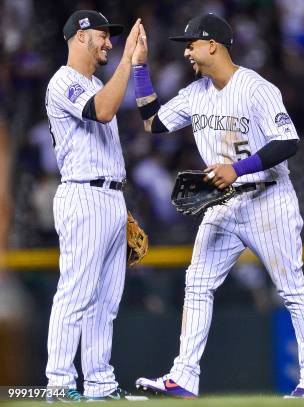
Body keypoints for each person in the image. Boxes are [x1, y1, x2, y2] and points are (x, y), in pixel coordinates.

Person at [131, 14, 304, 398]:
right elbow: (152, 123)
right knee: (198, 283)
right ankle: (184, 377)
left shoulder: (256, 88)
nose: (186, 51)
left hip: (266, 197)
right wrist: (139, 67)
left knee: (291, 289)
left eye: (191, 44)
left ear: (213, 45)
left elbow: (287, 141)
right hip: (222, 203)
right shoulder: (195, 93)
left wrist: (237, 169)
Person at [44, 10, 143, 401]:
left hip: (109, 196)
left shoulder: (98, 82)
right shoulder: (63, 81)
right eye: (103, 35)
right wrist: (128, 61)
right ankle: (59, 382)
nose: (109, 42)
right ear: (82, 36)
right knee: (76, 293)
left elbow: (105, 120)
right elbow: (101, 110)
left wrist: (118, 202)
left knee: (105, 302)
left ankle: (99, 382)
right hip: (82, 196)